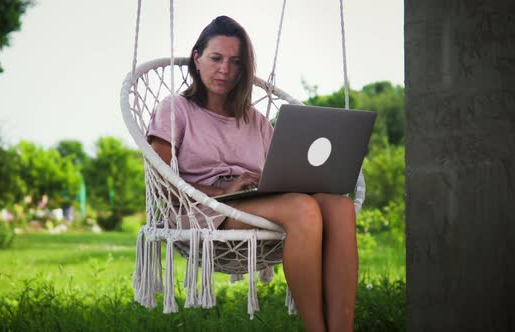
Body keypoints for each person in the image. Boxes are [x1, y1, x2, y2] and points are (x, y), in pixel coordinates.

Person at [147, 16, 358, 332]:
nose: (225, 70)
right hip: (203, 207)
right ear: (197, 58)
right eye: (216, 58)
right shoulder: (176, 109)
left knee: (339, 206)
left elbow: (282, 169)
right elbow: (162, 184)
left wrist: (274, 182)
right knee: (302, 209)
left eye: (235, 62)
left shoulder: (256, 120)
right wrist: (224, 191)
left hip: (259, 199)